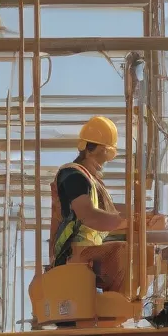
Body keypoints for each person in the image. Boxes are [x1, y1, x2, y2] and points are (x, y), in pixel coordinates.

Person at [49, 116, 130, 294]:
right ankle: (115, 299)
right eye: (107, 152)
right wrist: (125, 222)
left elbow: (109, 211)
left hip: (87, 251)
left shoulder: (90, 180)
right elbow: (89, 215)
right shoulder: (73, 175)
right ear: (90, 150)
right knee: (123, 252)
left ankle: (113, 301)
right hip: (73, 254)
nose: (108, 159)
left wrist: (141, 216)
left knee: (139, 251)